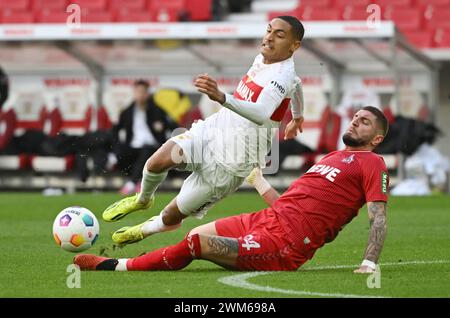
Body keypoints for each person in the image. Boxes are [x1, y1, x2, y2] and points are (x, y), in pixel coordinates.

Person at [74, 106, 389, 274]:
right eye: (356, 117)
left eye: (364, 122)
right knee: (194, 235)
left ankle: (117, 266)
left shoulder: (372, 164)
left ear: (376, 139)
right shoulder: (333, 157)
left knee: (197, 243)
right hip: (266, 220)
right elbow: (290, 206)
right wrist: (260, 181)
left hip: (287, 244)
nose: (355, 122)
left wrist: (369, 263)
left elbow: (378, 218)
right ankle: (155, 257)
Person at [100, 16, 306, 246]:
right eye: (269, 30)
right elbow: (297, 84)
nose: (269, 37)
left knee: (170, 216)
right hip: (213, 131)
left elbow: (261, 112)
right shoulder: (265, 59)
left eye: (279, 35)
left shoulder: (281, 76)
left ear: (294, 45)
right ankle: (142, 199)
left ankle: (144, 230)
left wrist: (221, 97)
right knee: (157, 161)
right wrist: (298, 116)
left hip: (232, 162)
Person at [113, 79, 178, 195]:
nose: (140, 95)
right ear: (133, 93)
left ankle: (132, 183)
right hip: (132, 148)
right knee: (123, 153)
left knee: (146, 150)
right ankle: (139, 183)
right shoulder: (127, 112)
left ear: (147, 93)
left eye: (143, 92)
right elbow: (115, 130)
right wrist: (117, 147)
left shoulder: (157, 111)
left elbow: (174, 126)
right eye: (137, 92)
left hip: (154, 149)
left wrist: (172, 144)